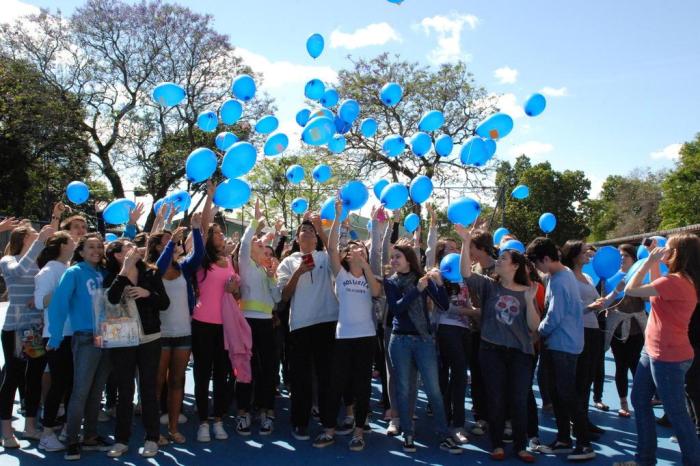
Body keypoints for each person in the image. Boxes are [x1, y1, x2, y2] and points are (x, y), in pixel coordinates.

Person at [615, 234, 700, 466]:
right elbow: (654, 298)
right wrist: (655, 265)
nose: (663, 251)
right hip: (653, 350)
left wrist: (650, 262)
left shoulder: (674, 282)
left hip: (667, 356)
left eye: (668, 249)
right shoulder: (677, 280)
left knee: (677, 415)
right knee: (640, 399)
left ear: (679, 254)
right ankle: (644, 459)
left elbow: (632, 290)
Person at [458, 225, 540, 463]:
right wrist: (465, 242)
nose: (498, 260)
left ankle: (521, 445)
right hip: (491, 350)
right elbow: (465, 273)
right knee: (495, 397)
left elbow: (534, 327)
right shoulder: (488, 285)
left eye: (503, 258)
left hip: (520, 354)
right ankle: (496, 444)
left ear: (515, 266)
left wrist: (529, 301)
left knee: (518, 398)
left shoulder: (528, 290)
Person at [314, 197, 382, 451]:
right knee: (336, 383)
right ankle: (329, 429)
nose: (357, 251)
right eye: (353, 250)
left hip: (365, 337)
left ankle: (359, 431)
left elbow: (376, 292)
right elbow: (331, 248)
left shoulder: (370, 276)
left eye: (361, 250)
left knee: (362, 386)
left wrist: (365, 265)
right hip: (343, 337)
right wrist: (339, 218)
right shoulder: (340, 274)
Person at [384, 240, 462, 455]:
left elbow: (444, 305)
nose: (393, 260)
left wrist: (437, 284)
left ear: (409, 259)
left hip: (424, 341)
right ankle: (408, 433)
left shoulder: (423, 280)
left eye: (397, 256)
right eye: (392, 257)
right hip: (399, 341)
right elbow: (397, 309)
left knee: (434, 390)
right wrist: (416, 290)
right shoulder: (390, 282)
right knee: (404, 388)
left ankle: (444, 434)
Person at [526, 237, 595, 461]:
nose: (537, 269)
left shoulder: (559, 280)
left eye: (537, 263)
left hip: (563, 345)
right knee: (557, 393)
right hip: (563, 343)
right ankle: (564, 438)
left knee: (567, 394)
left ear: (546, 259)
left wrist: (537, 333)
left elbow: (555, 316)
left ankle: (584, 444)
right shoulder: (561, 275)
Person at [47, 233, 113, 460]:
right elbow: (59, 303)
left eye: (99, 246)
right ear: (82, 251)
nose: (96, 250)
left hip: (105, 337)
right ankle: (72, 439)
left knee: (96, 392)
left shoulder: (103, 273)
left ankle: (91, 436)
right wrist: (55, 336)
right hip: (85, 337)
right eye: (91, 247)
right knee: (80, 391)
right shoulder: (74, 272)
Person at [104, 240, 170, 458]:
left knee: (148, 389)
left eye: (134, 246)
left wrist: (147, 294)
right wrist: (124, 272)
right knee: (125, 391)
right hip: (123, 339)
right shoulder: (111, 274)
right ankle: (122, 440)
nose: (134, 249)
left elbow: (164, 303)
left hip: (150, 337)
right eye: (127, 248)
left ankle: (152, 438)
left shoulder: (150, 273)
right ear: (117, 255)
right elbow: (111, 299)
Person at [276, 213, 338, 441]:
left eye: (311, 230)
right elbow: (283, 295)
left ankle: (328, 421)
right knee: (300, 378)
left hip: (326, 322)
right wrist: (299, 272)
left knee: (326, 376)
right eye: (304, 229)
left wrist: (322, 228)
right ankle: (300, 422)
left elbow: (334, 252)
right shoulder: (288, 262)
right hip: (300, 325)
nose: (308, 231)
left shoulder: (325, 256)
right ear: (297, 236)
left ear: (316, 237)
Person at [150, 213, 204, 443]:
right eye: (165, 241)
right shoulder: (152, 269)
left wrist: (195, 229)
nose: (172, 243)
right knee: (157, 383)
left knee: (177, 382)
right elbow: (161, 265)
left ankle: (173, 428)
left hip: (183, 333)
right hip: (160, 335)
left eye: (172, 241)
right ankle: (154, 432)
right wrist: (171, 242)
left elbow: (199, 254)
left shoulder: (184, 267)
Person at [0, 223, 54, 447]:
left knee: (34, 376)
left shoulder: (39, 262)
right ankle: (5, 430)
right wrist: (39, 242)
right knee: (13, 375)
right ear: (23, 238)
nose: (38, 236)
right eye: (34, 234)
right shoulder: (8, 261)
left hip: (35, 329)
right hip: (15, 328)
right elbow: (18, 272)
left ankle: (30, 425)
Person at [235, 201, 281, 436]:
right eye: (260, 245)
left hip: (266, 324)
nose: (263, 247)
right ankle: (243, 412)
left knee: (268, 369)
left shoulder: (266, 270)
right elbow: (245, 242)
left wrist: (273, 278)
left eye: (266, 247)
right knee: (246, 368)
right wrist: (256, 220)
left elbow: (276, 299)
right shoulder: (245, 263)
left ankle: (267, 412)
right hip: (246, 323)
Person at [192, 223, 240, 442]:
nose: (221, 236)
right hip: (202, 324)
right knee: (202, 374)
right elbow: (200, 230)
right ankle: (203, 421)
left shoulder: (229, 260)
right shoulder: (201, 259)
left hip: (225, 325)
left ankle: (218, 419)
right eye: (216, 233)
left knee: (222, 374)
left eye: (222, 232)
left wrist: (233, 290)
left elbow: (235, 293)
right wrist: (210, 197)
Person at [34, 231, 76, 451]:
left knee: (70, 383)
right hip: (56, 335)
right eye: (71, 241)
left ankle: (68, 428)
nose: (75, 242)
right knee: (59, 384)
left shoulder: (68, 268)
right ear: (61, 245)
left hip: (73, 333)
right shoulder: (49, 271)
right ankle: (47, 432)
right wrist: (64, 289)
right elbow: (41, 302)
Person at [560, 240, 607, 437]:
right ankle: (576, 422)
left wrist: (615, 291)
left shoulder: (588, 276)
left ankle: (583, 419)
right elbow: (569, 310)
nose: (588, 254)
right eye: (584, 251)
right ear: (573, 254)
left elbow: (598, 301)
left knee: (587, 377)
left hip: (593, 330)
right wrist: (591, 307)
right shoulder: (566, 276)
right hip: (578, 331)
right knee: (578, 378)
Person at [602, 244, 647, 418]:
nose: (621, 258)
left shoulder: (642, 277)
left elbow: (649, 298)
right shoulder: (610, 277)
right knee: (621, 366)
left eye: (625, 256)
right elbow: (604, 301)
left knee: (637, 366)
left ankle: (640, 400)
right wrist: (615, 293)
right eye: (620, 256)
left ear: (634, 259)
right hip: (617, 330)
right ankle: (623, 402)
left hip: (637, 329)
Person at [465, 229, 496, 437]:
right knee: (477, 377)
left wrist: (473, 312)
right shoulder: (472, 268)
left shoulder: (500, 269)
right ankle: (481, 417)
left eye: (472, 248)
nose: (469, 252)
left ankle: (502, 419)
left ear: (482, 249)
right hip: (475, 331)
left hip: (496, 334)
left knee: (495, 379)